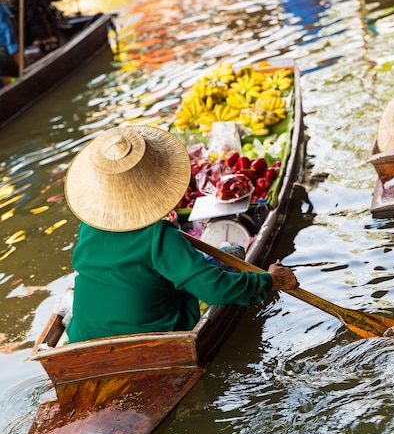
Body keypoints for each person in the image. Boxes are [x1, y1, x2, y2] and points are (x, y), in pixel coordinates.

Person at [63, 125, 299, 343]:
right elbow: (214, 290)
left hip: (82, 337)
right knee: (218, 267)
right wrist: (271, 280)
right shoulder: (159, 236)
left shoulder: (89, 226)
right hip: (152, 338)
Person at [0, 0, 19, 86]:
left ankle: (14, 82)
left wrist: (14, 51)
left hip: (5, 52)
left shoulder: (1, 8)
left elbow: (8, 28)